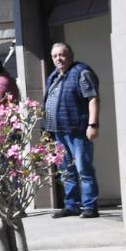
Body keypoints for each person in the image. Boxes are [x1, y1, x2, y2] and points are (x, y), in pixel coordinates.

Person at [44, 42, 100, 219]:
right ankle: (71, 206)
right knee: (67, 170)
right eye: (55, 56)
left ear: (70, 55)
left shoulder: (81, 72)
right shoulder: (54, 76)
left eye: (62, 54)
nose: (58, 59)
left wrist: (93, 125)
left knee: (84, 169)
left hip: (78, 130)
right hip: (58, 131)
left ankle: (90, 206)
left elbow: (93, 99)